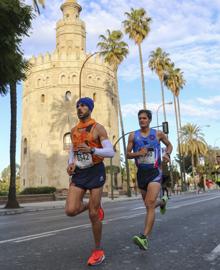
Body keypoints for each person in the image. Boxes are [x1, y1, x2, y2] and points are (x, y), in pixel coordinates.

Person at [66, 97, 115, 266]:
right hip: (79, 172)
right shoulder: (73, 130)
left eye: (83, 105)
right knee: (71, 210)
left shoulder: (97, 128)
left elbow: (111, 152)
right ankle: (92, 204)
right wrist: (70, 164)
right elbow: (73, 150)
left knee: (93, 214)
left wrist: (93, 149)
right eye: (78, 106)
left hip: (95, 171)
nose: (80, 108)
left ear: (90, 108)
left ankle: (98, 250)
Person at [126, 109, 173, 250]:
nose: (142, 120)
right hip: (141, 174)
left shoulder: (158, 134)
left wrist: (167, 154)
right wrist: (138, 153)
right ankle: (163, 202)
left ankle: (144, 238)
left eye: (144, 118)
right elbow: (128, 154)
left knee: (150, 203)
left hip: (155, 172)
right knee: (149, 205)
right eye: (140, 118)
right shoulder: (133, 135)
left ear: (150, 120)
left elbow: (169, 145)